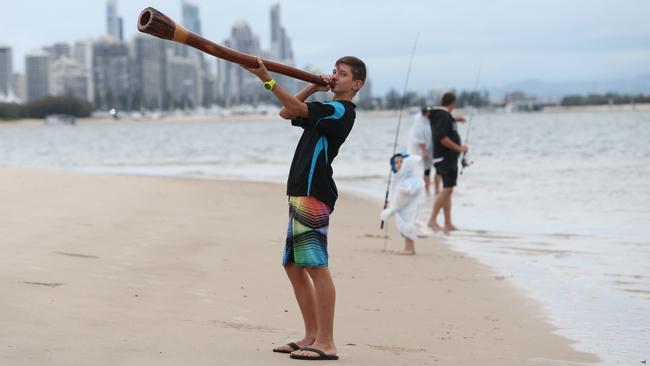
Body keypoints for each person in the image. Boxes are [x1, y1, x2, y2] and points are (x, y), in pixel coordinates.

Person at [243, 56, 366, 361]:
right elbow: (287, 112)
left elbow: (294, 109)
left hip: (314, 193)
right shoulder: (325, 107)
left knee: (315, 265)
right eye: (334, 71)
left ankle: (327, 342)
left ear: (356, 84)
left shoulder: (340, 111)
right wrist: (312, 86)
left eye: (343, 74)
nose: (335, 76)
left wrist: (267, 79)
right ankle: (311, 335)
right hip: (300, 192)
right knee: (294, 265)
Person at [427, 92, 468, 235]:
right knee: (447, 189)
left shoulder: (442, 115)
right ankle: (432, 220)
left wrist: (456, 119)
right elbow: (442, 138)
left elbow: (442, 127)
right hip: (445, 158)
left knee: (448, 189)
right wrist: (460, 148)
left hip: (445, 158)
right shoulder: (443, 116)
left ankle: (448, 223)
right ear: (453, 102)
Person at [380, 153, 425, 255]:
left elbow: (408, 190)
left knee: (407, 224)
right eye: (396, 162)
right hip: (404, 206)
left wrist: (392, 208)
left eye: (401, 161)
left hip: (408, 206)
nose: (399, 164)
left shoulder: (411, 176)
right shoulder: (402, 176)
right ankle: (410, 247)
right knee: (405, 224)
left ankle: (409, 248)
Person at [407, 107, 434, 195]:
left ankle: (426, 189)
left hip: (427, 150)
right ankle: (426, 190)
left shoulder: (426, 122)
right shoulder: (420, 123)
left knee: (427, 170)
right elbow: (419, 139)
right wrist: (424, 151)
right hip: (422, 151)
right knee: (426, 170)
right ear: (425, 113)